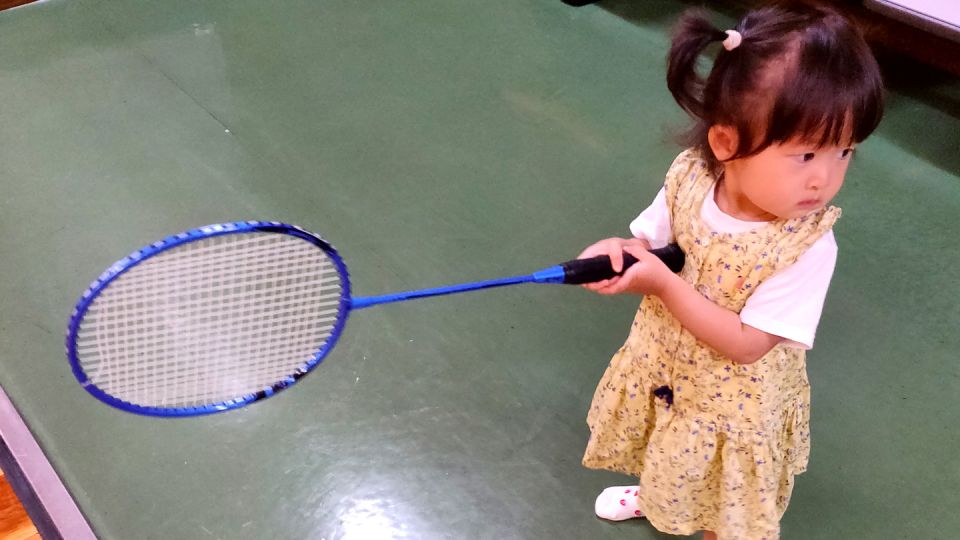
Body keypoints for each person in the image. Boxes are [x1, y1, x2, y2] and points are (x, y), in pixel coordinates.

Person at [578, 2, 884, 538]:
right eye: (807, 155)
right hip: (670, 366)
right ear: (726, 143)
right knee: (668, 440)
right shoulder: (691, 177)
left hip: (734, 404)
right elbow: (649, 241)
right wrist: (618, 251)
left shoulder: (805, 246)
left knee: (724, 492)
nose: (825, 180)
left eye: (844, 152)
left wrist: (661, 284)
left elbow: (746, 344)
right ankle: (659, 494)